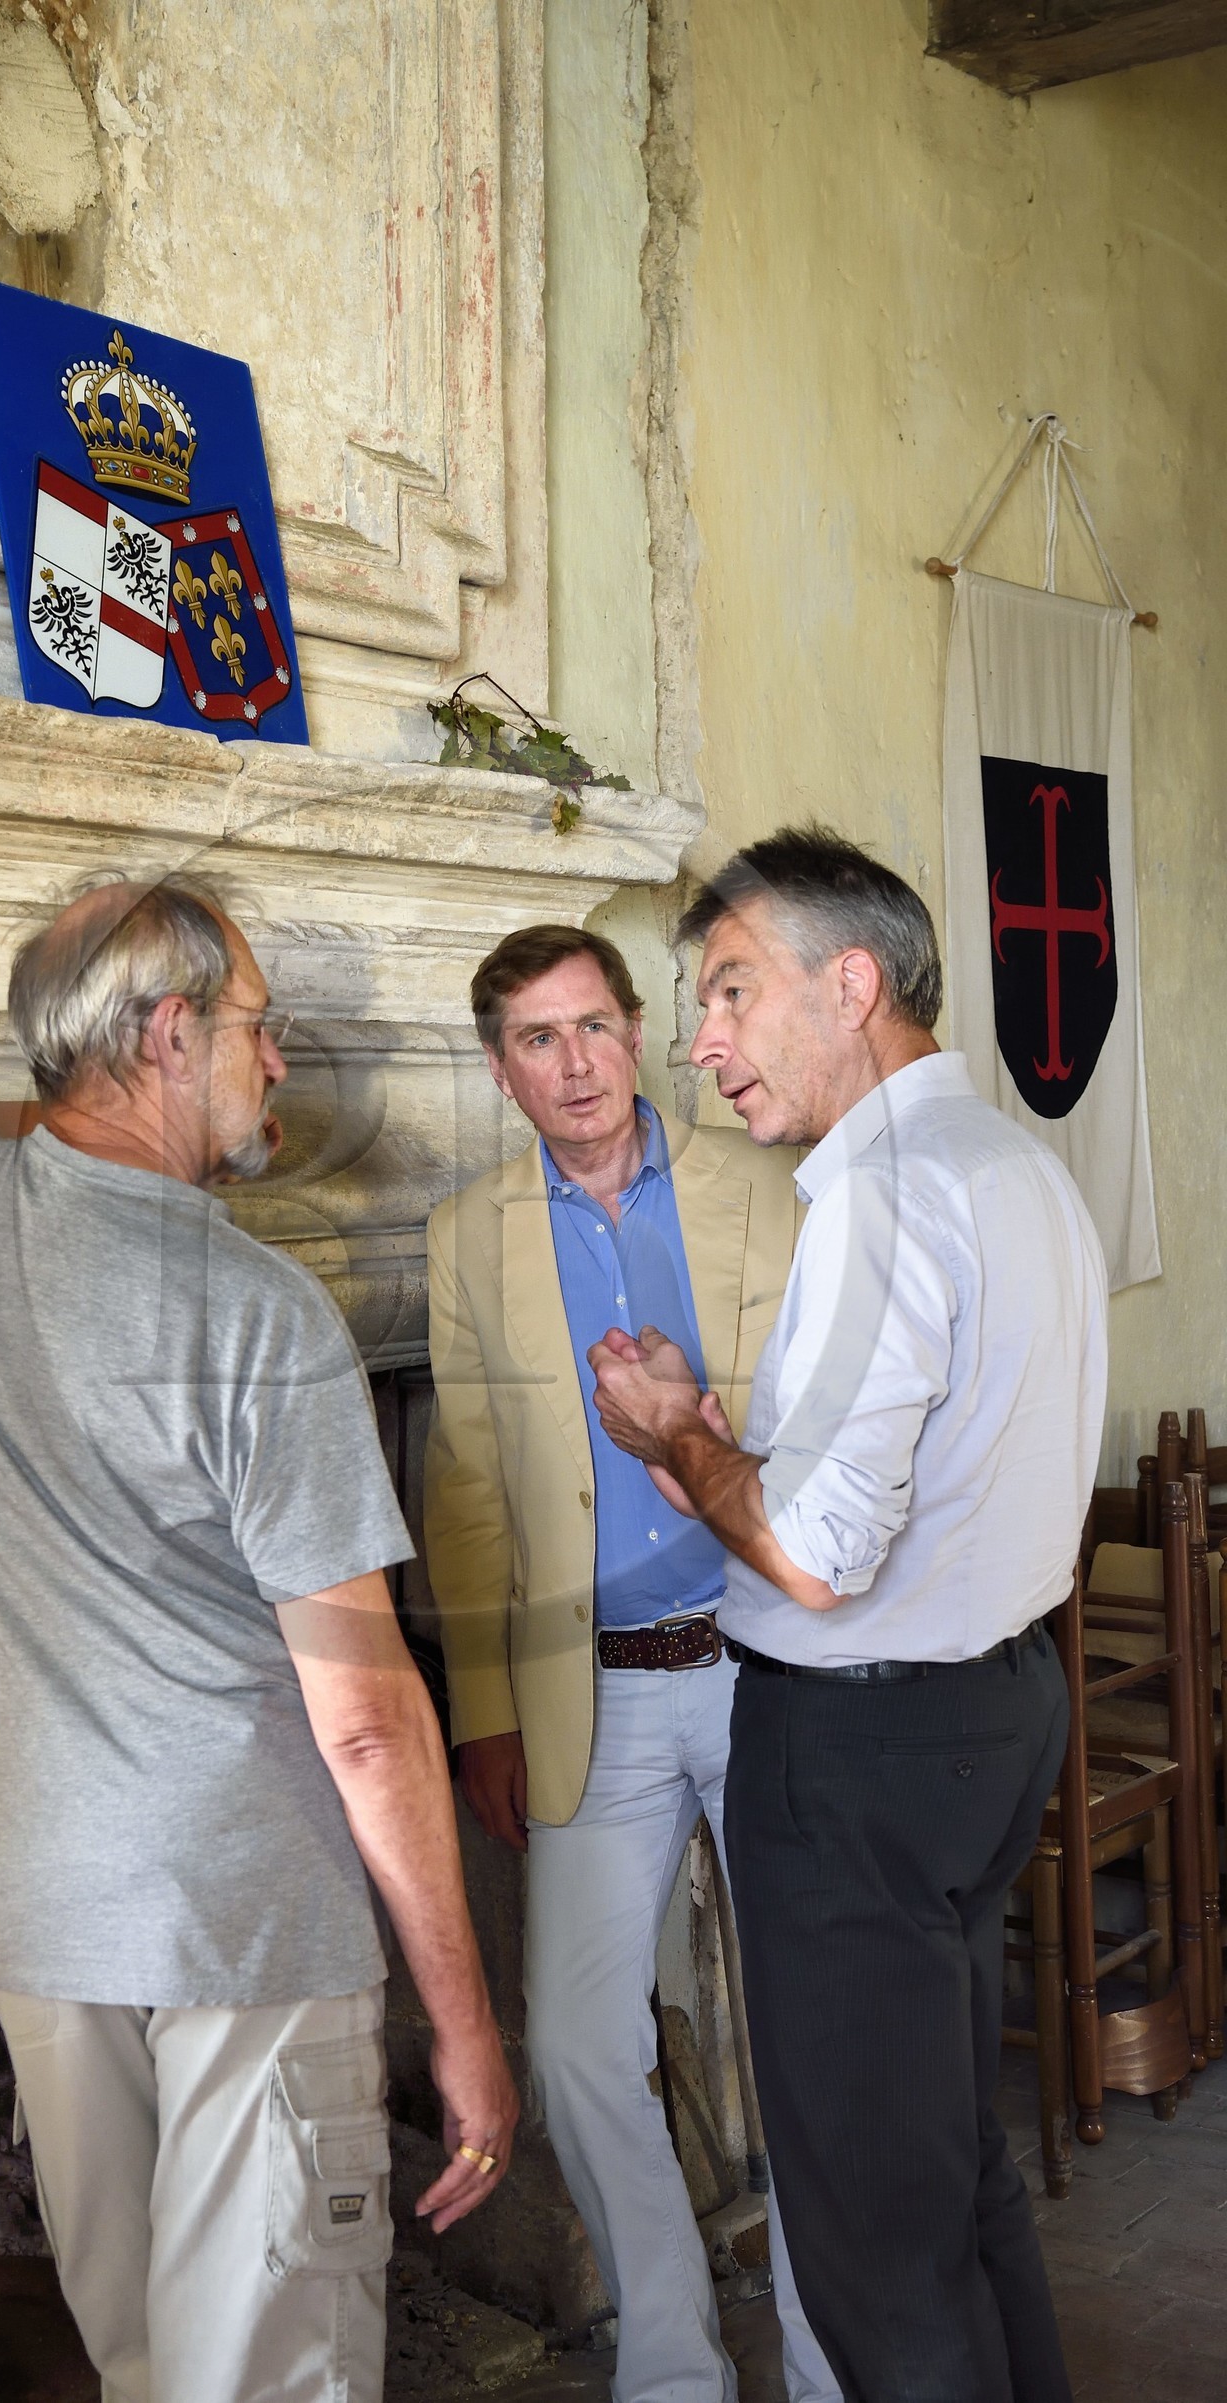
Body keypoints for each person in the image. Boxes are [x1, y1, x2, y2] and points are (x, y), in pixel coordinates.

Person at [0, 873, 517, 2403]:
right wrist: (464, 2024)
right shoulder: (260, 1316)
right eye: (257, 1027)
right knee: (263, 2379)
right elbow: (367, 1719)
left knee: (140, 2364)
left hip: (37, 1912)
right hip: (241, 1927)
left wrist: (75, 1092)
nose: (280, 1062)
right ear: (168, 1035)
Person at [589, 826, 1105, 2403]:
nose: (703, 1041)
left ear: (854, 983)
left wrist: (674, 1437)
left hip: (861, 1757)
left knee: (878, 2253)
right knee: (954, 2181)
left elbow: (817, 1558)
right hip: (996, 1714)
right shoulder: (1017, 1166)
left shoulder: (883, 1195)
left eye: (733, 989)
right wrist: (726, 1457)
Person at [422, 922, 841, 2403]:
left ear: (639, 1030)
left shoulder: (767, 1189)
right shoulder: (467, 1233)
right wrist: (484, 1709)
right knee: (580, 2046)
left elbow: (832, 1421)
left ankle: (830, 2364)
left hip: (768, 1667)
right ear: (501, 1070)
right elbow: (468, 1486)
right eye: (538, 1040)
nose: (576, 1063)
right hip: (587, 1692)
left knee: (808, 2035)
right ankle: (673, 2375)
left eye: (594, 1025)